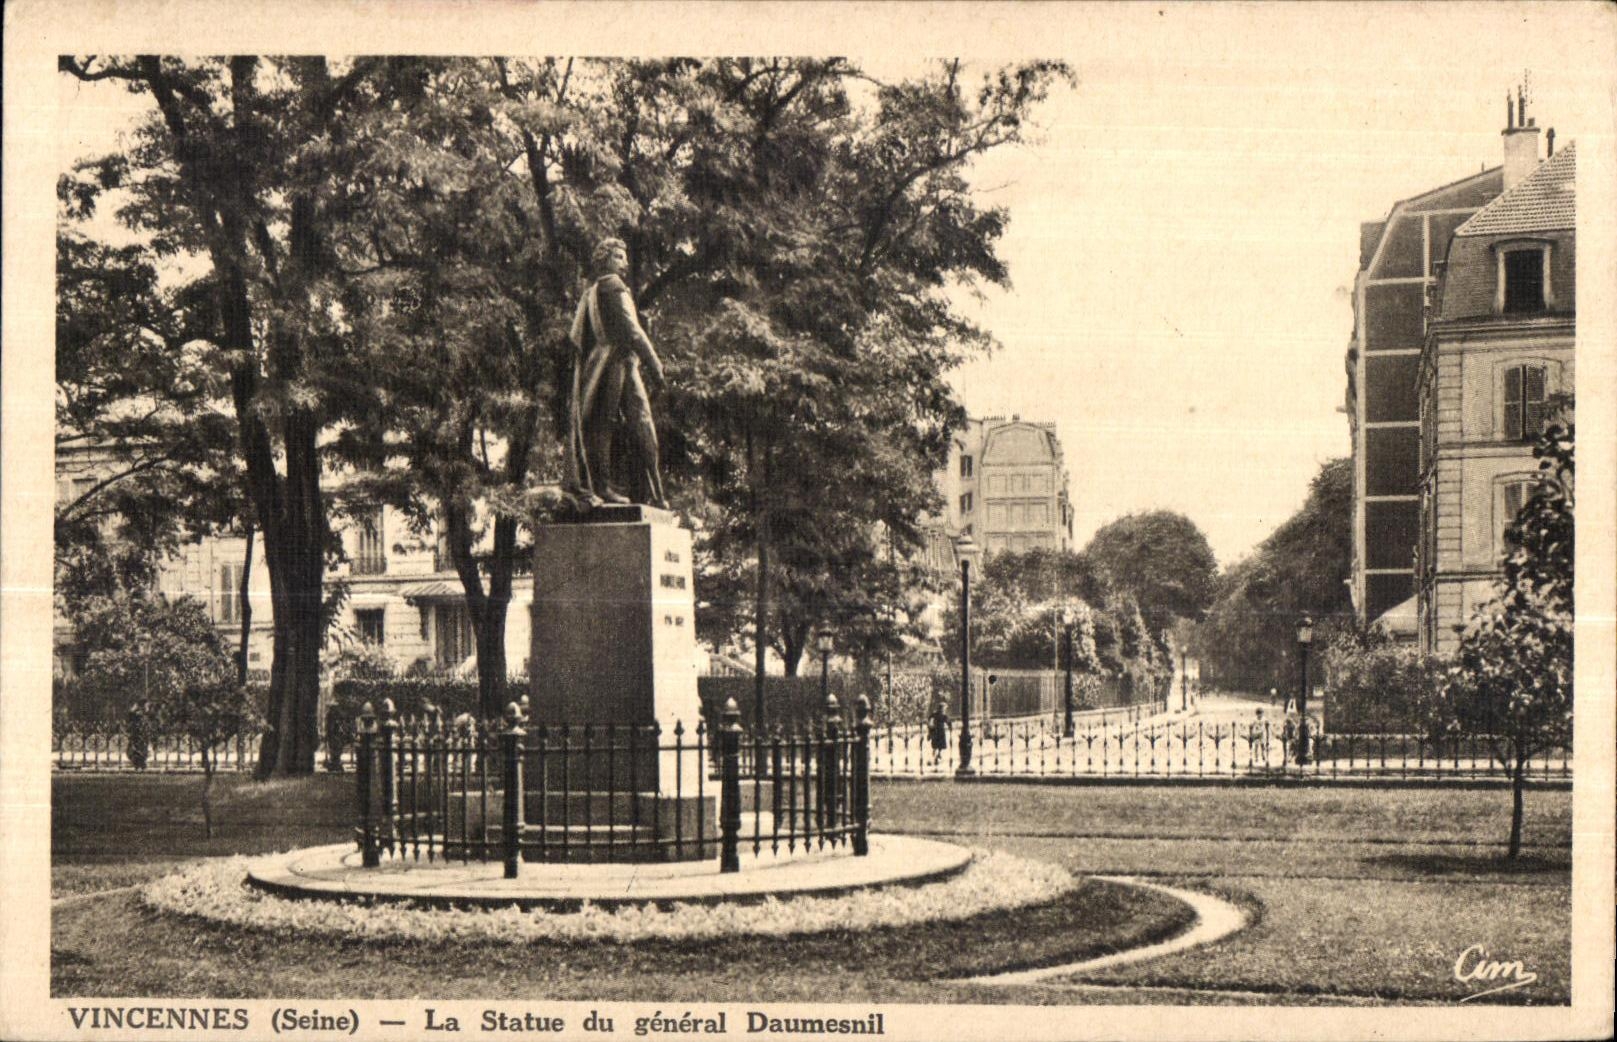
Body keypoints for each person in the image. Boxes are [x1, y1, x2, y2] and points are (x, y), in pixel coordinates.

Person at [563, 237, 669, 509]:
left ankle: (637, 490)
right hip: (615, 363)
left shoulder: (592, 292)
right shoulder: (612, 286)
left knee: (612, 424)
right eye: (619, 256)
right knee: (610, 424)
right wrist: (654, 363)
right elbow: (633, 330)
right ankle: (604, 487)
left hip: (604, 363)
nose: (626, 262)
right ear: (605, 259)